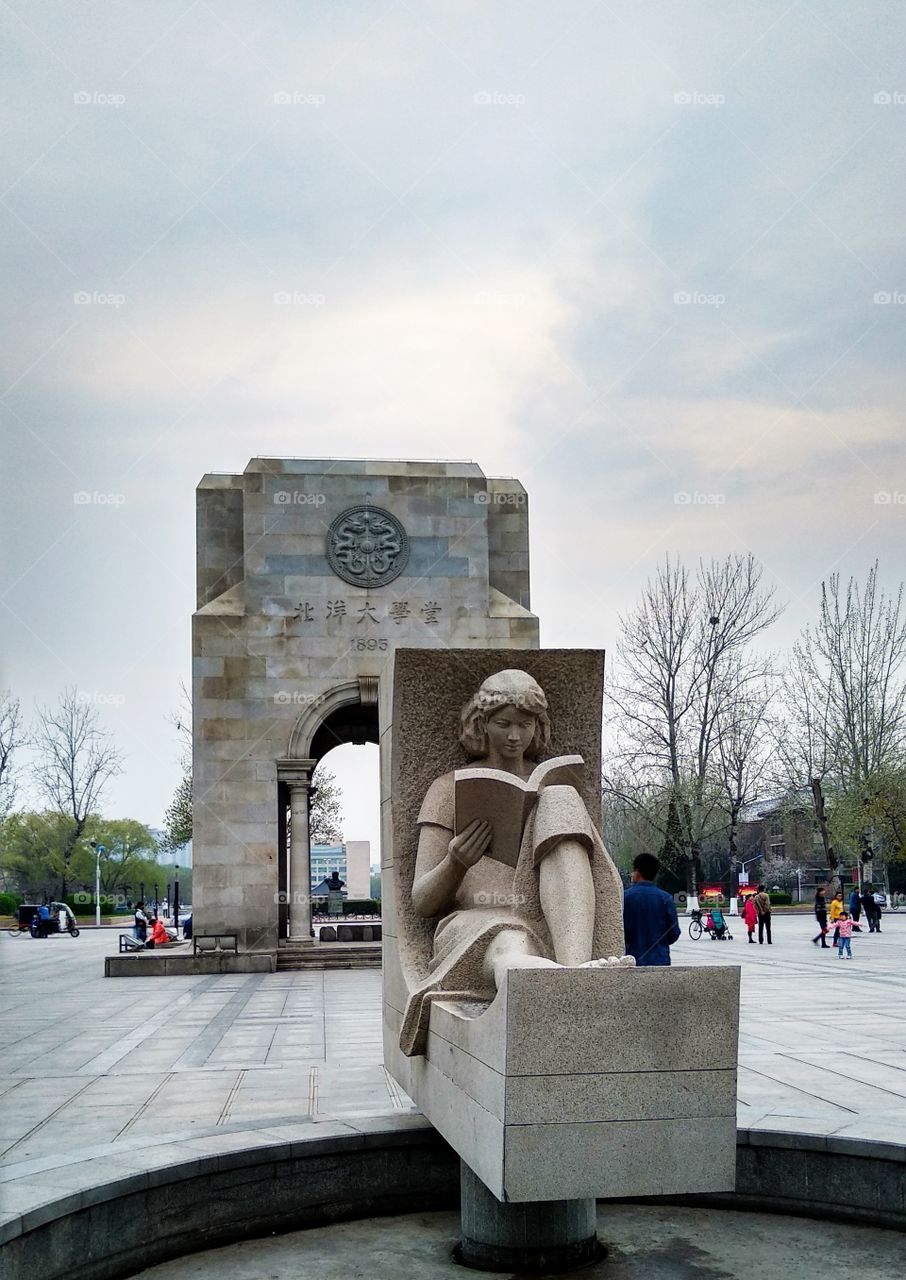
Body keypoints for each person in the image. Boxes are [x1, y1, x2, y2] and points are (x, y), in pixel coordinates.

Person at [401, 669, 629, 1056]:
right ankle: (566, 982)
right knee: (511, 940)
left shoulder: (552, 782)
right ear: (481, 723)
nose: (514, 736)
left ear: (538, 726)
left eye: (525, 724)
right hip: (476, 923)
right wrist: (456, 862)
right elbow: (422, 900)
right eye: (503, 724)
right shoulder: (447, 788)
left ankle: (572, 970)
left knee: (559, 798)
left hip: (548, 916)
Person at [623, 854, 682, 965]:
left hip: (632, 959)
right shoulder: (666, 898)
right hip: (660, 959)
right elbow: (674, 932)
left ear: (637, 872)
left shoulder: (624, 898)